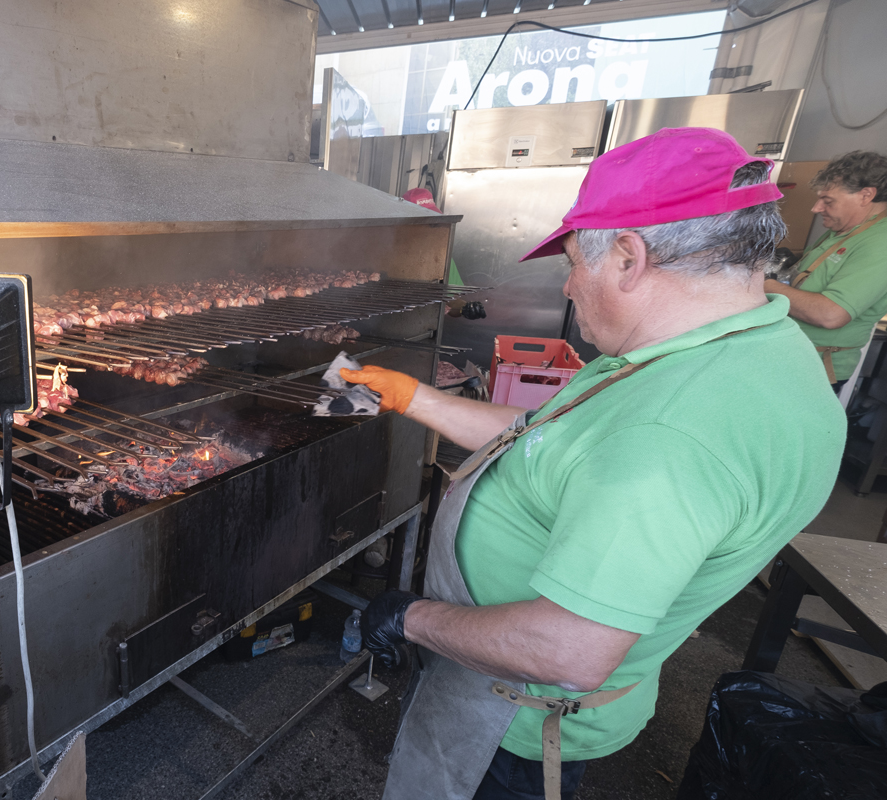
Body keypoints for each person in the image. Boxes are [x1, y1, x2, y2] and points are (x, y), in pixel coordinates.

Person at [341, 128, 845, 800]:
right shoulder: (739, 351)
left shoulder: (671, 436)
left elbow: (567, 651)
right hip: (516, 687)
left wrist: (409, 618)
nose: (571, 287)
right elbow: (554, 436)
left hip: (511, 716)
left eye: (575, 262)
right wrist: (414, 398)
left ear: (630, 257)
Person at [764, 151, 887, 393]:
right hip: (787, 358)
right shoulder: (843, 230)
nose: (816, 208)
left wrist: (764, 284)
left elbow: (831, 314)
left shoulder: (880, 241)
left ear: (866, 195)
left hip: (812, 371)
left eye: (828, 201)